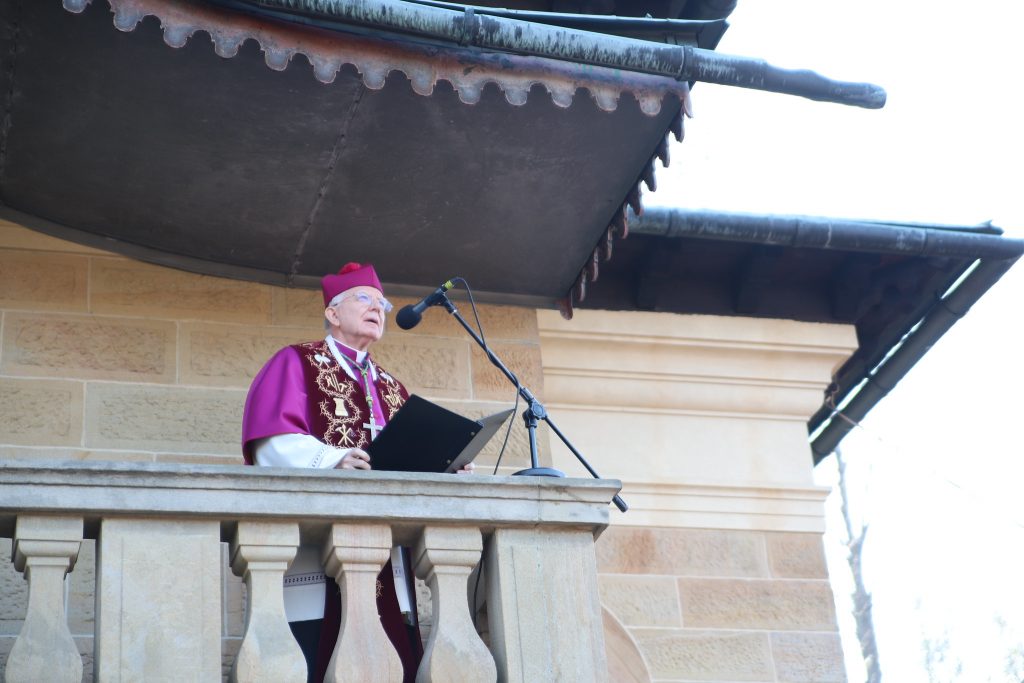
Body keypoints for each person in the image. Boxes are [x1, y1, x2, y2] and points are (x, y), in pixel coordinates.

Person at [241, 262, 467, 682]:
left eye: (382, 303)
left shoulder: (392, 387)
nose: (378, 308)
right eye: (365, 298)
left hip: (390, 565)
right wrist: (334, 459)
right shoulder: (297, 361)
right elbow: (270, 444)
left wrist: (447, 467)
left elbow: (409, 462)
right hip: (317, 566)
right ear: (332, 312)